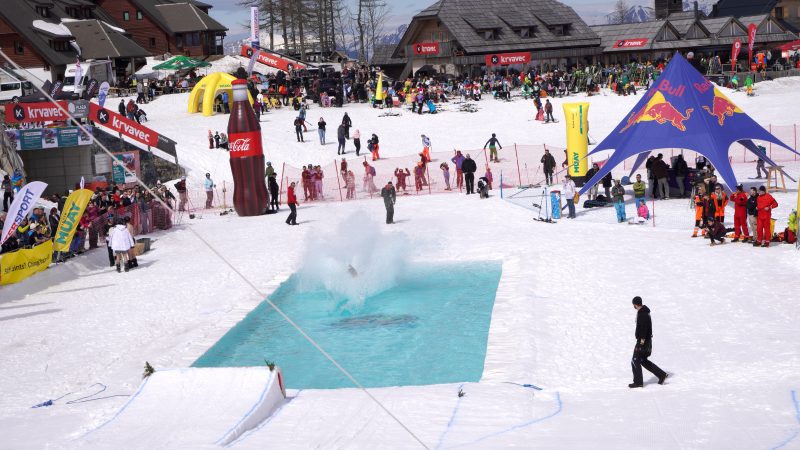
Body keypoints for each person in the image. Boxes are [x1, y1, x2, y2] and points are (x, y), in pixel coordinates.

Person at [629, 296, 668, 388]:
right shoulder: (644, 313)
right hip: (646, 341)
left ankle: (638, 382)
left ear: (635, 304)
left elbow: (644, 330)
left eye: (633, 304)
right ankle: (661, 374)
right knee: (642, 360)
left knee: (635, 360)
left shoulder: (643, 314)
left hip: (643, 341)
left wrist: (641, 343)